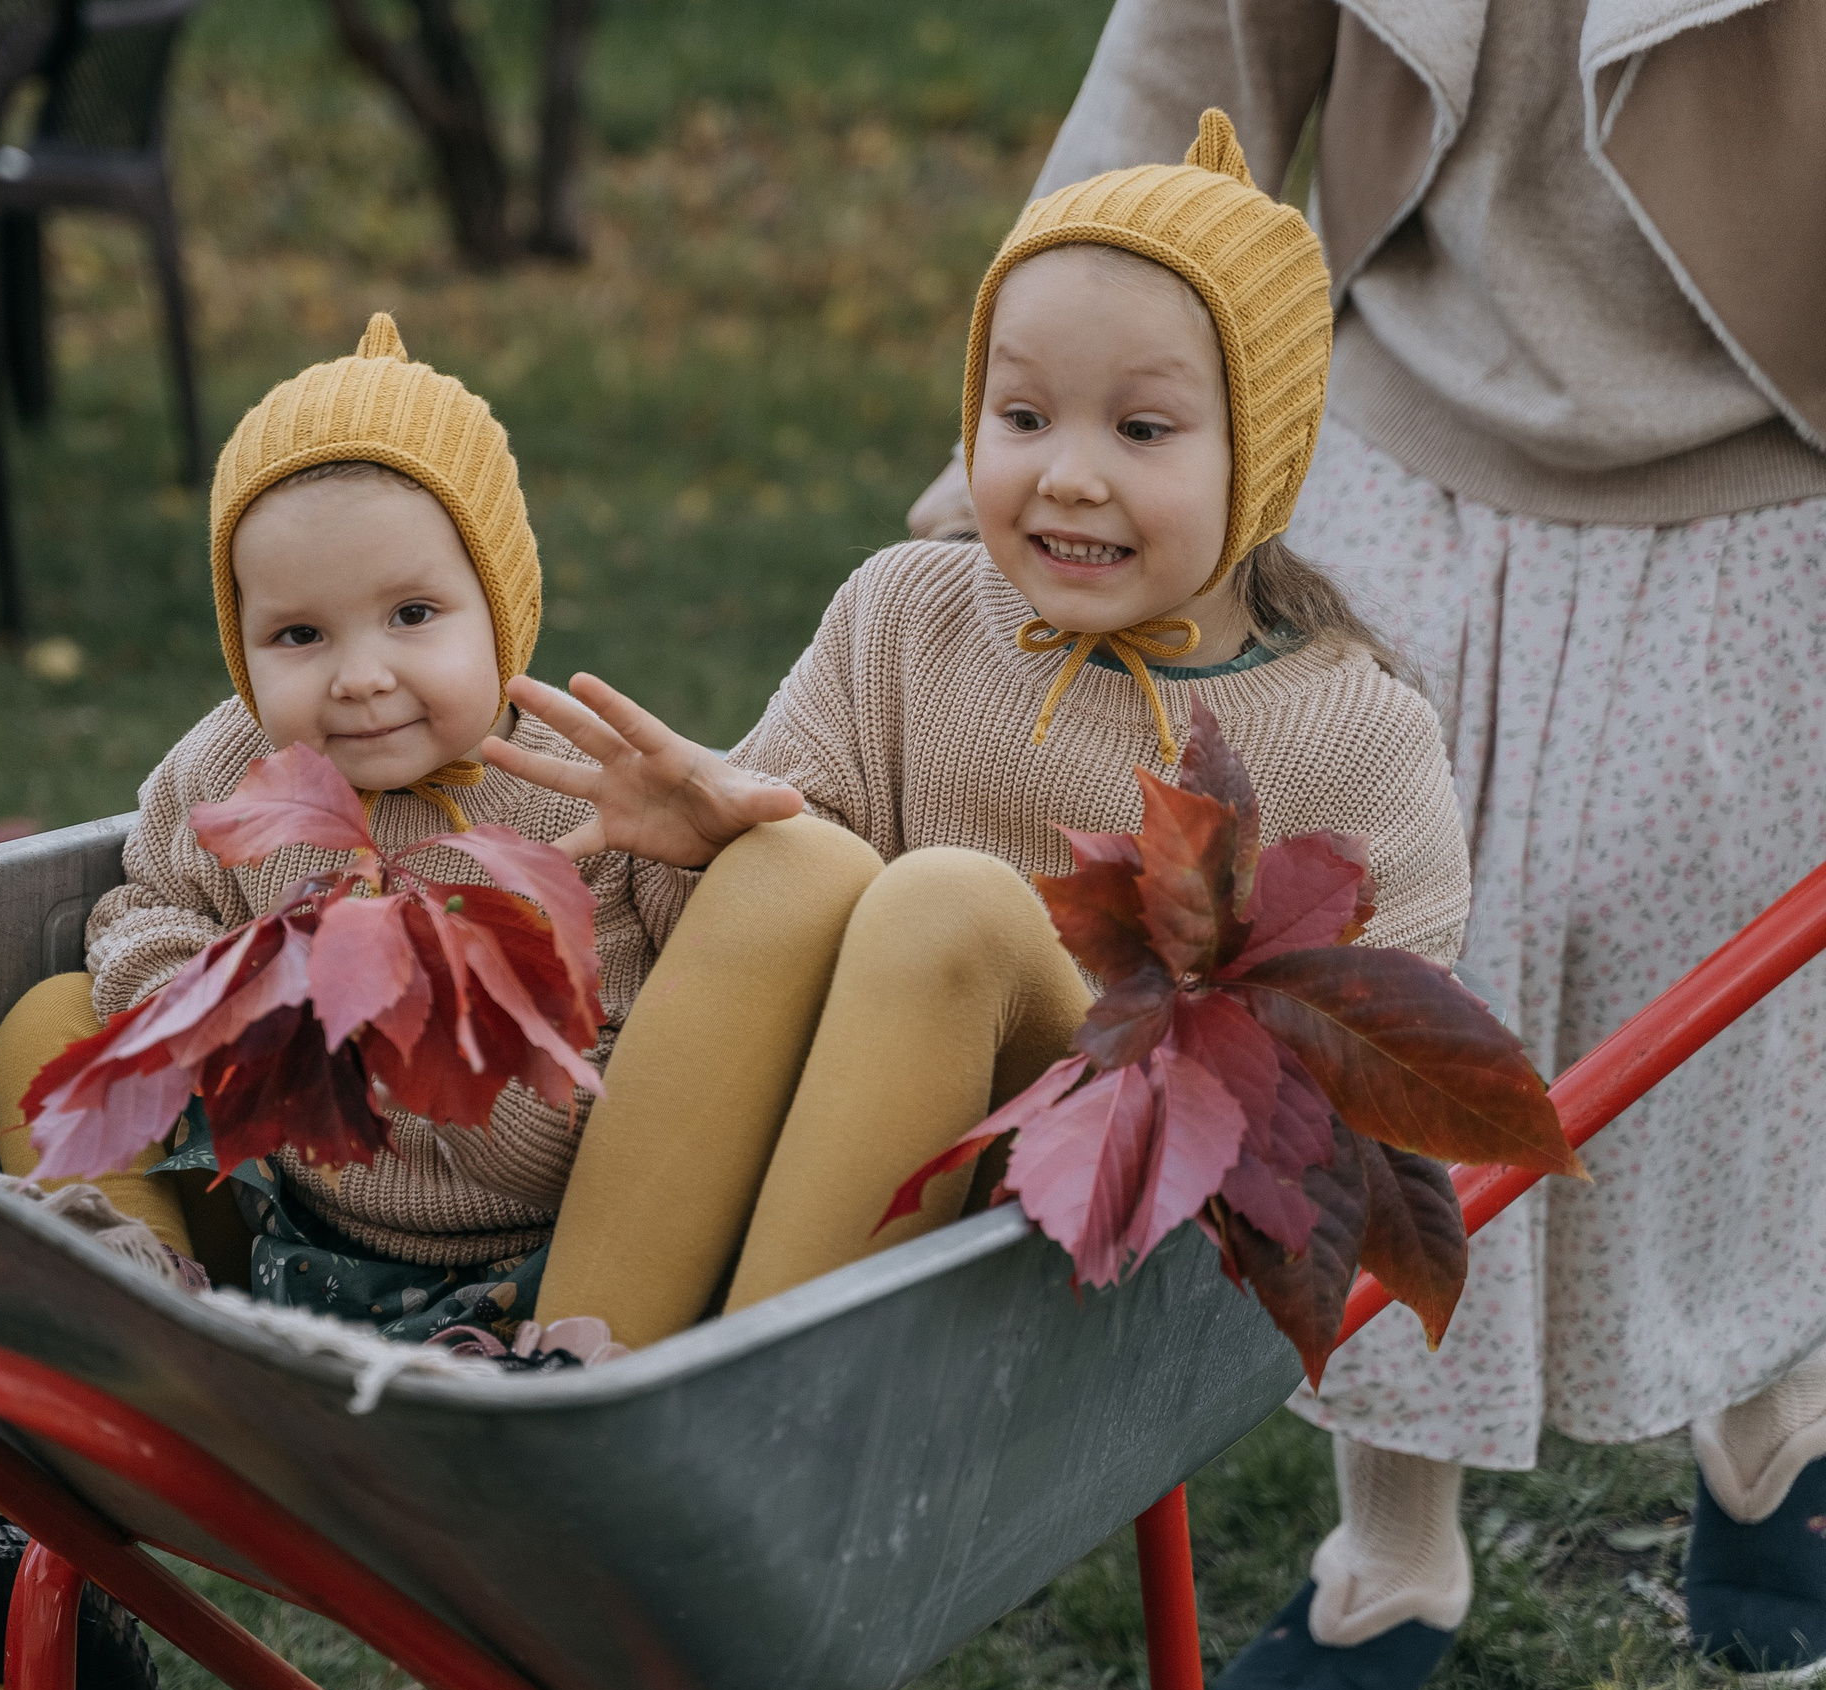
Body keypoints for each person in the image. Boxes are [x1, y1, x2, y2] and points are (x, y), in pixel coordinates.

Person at [909, 4, 1826, 1690]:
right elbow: (1189, 56)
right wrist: (1033, 428)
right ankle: (1390, 1559)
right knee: (1350, 1006)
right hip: (1398, 419)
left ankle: (1769, 1429)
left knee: (1715, 1011)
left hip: (1754, 455)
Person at [491, 115, 1473, 1366]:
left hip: (1114, 1204)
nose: (1066, 475)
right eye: (1021, 415)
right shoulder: (906, 614)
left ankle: (766, 1416)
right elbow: (746, 984)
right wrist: (703, 851)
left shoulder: (1349, 729)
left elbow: (1387, 1079)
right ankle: (575, 1359)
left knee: (951, 900)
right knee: (793, 857)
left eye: (1141, 430)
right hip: (841, 1141)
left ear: (1261, 459)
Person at [0, 314, 711, 1342]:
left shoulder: (580, 795)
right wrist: (219, 1006)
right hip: (293, 1218)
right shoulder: (229, 769)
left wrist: (426, 1056)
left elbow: (671, 1046)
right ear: (242, 644)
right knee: (44, 1019)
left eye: (413, 615)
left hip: (533, 1258)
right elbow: (144, 904)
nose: (361, 676)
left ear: (503, 608)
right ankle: (139, 1293)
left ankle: (504, 1376)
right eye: (299, 634)